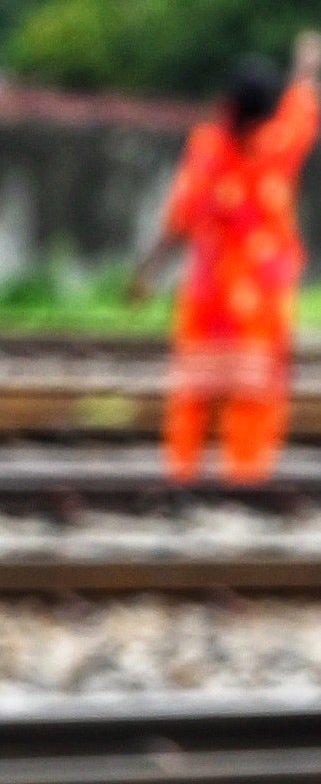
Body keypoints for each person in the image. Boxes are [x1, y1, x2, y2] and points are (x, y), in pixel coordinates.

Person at [132, 32, 319, 486]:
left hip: (209, 296)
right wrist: (306, 65)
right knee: (254, 398)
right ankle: (246, 479)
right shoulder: (278, 145)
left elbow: (179, 218)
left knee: (194, 395)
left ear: (227, 104)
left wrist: (147, 273)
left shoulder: (209, 150)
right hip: (261, 301)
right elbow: (303, 105)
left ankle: (182, 475)